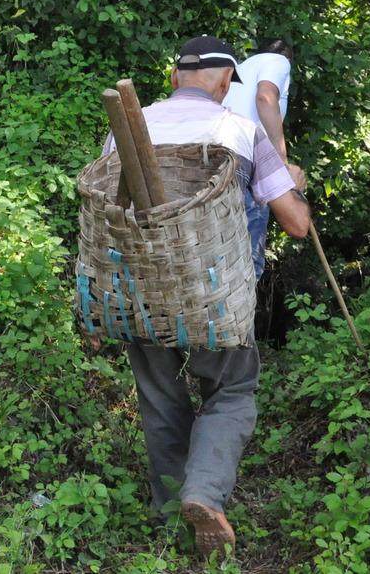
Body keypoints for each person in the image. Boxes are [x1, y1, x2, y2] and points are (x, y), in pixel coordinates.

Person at [100, 35, 310, 557]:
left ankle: (171, 521)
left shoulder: (124, 131)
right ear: (222, 81)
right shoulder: (241, 128)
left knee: (159, 398)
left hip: (141, 289)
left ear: (174, 78)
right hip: (215, 292)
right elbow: (296, 224)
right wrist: (295, 182)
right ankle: (203, 492)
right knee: (233, 392)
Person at [222, 39, 296, 279]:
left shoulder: (241, 69)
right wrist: (280, 159)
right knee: (248, 259)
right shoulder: (278, 61)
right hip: (246, 157)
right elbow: (265, 97)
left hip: (217, 156)